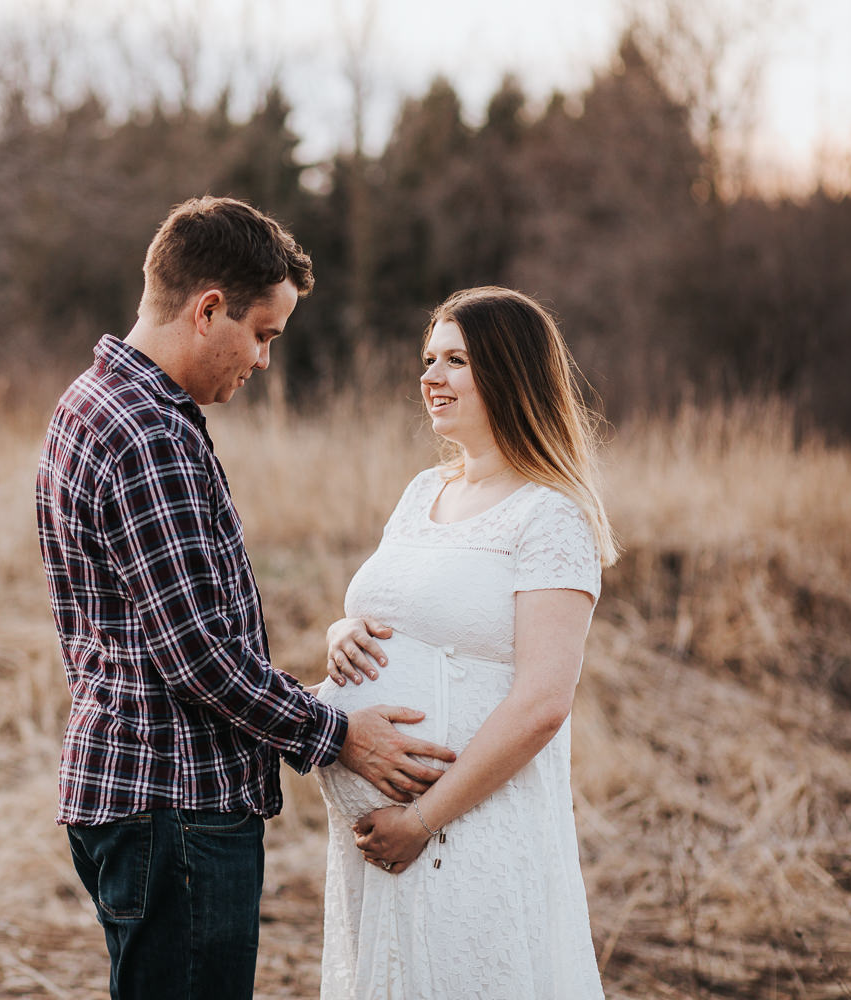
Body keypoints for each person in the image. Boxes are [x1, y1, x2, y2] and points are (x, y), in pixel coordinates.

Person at [34, 195, 457, 1000]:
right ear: (208, 309)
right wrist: (336, 735)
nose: (263, 361)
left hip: (133, 793)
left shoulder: (92, 404)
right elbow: (195, 656)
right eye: (262, 334)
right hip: (176, 802)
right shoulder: (148, 432)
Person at [312, 285, 621, 999]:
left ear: (509, 374)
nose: (430, 377)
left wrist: (423, 818)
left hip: (465, 826)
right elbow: (403, 610)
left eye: (455, 361)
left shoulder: (549, 517)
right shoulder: (424, 492)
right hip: (382, 838)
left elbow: (544, 701)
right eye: (429, 359)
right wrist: (342, 632)